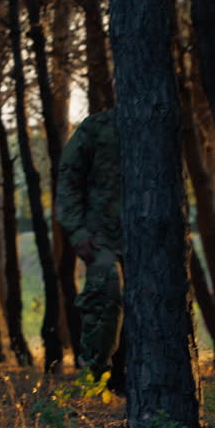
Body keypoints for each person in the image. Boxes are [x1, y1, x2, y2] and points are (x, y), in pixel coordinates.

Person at [56, 109, 125, 391]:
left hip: (149, 239)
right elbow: (68, 179)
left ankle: (125, 379)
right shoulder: (97, 127)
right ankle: (94, 376)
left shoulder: (160, 120)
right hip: (101, 238)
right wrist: (77, 231)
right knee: (105, 295)